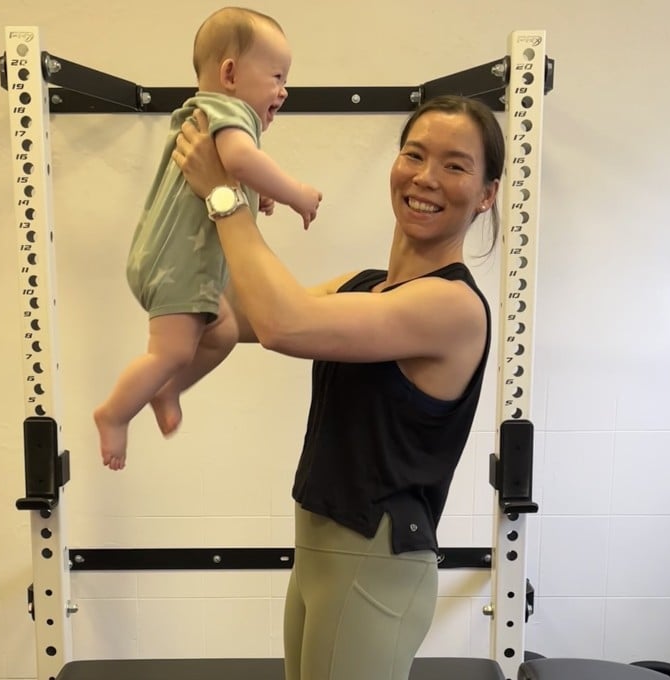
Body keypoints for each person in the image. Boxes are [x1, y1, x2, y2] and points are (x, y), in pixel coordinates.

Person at [171, 94, 504, 680]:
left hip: (374, 563)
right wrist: (208, 195)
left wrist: (223, 197)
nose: (426, 177)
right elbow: (235, 316)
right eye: (414, 155)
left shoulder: (453, 306)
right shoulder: (363, 284)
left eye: (455, 165)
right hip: (319, 552)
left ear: (486, 194)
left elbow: (284, 324)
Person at [94, 7, 323, 470]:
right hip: (176, 266)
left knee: (222, 333)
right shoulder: (229, 110)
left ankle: (167, 390)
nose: (284, 90)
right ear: (231, 74)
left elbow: (230, 168)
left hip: (177, 264)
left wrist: (257, 193)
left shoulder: (209, 114)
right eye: (277, 76)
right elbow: (238, 161)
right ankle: (114, 414)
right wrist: (294, 192)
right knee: (172, 351)